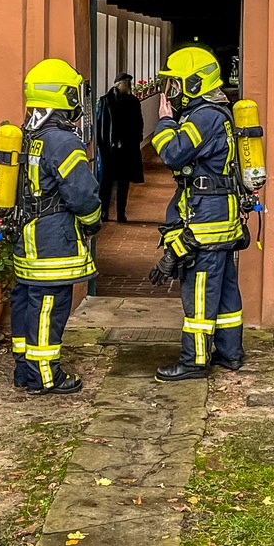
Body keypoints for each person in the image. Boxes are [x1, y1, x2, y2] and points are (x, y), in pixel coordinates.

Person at [148, 47, 249, 382]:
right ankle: (230, 352)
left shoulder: (204, 116)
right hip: (221, 216)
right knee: (225, 290)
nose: (171, 92)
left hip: (206, 220)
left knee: (201, 292)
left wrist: (163, 121)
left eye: (175, 85)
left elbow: (175, 154)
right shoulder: (216, 112)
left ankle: (194, 361)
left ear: (193, 83)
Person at [9, 58, 102, 395]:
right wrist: (92, 225)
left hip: (27, 238)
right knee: (49, 306)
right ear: (66, 98)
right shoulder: (62, 142)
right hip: (53, 240)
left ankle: (25, 369)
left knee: (27, 301)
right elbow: (83, 194)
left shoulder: (26, 135)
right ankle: (45, 376)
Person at [95, 72, 145, 222]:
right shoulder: (105, 101)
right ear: (118, 85)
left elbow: (138, 122)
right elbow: (99, 124)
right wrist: (100, 144)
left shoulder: (134, 102)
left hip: (127, 149)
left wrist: (136, 139)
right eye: (126, 83)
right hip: (108, 149)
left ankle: (121, 213)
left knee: (124, 182)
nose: (129, 86)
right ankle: (104, 211)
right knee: (106, 181)